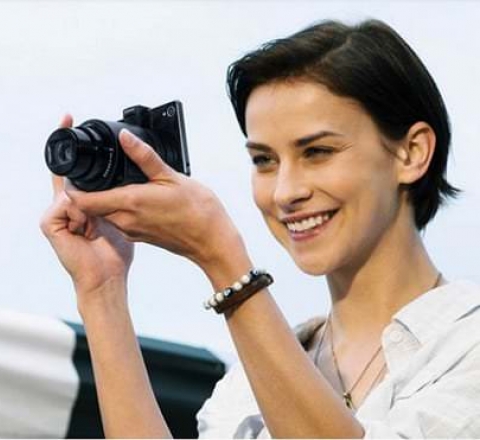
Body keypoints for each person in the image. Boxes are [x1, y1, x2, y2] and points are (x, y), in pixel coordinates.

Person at [40, 19, 480, 438]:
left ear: (411, 153)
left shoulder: (466, 344)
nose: (286, 191)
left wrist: (223, 261)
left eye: (317, 152)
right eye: (264, 160)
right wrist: (102, 292)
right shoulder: (244, 388)